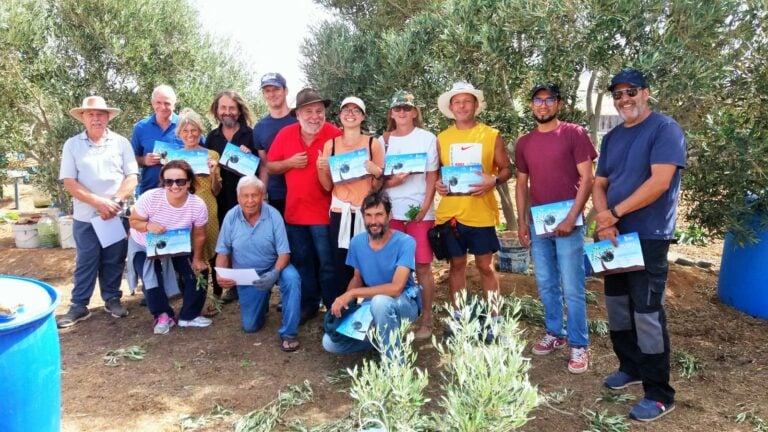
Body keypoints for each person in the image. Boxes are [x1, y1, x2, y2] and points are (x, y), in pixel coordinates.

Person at [593, 68, 686, 422]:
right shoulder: (612, 137)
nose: (623, 99)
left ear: (646, 93)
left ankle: (660, 394)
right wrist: (604, 219)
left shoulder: (665, 130)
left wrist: (613, 213)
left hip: (647, 236)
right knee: (617, 308)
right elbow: (600, 182)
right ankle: (629, 367)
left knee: (646, 315)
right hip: (613, 236)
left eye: (630, 92)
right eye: (617, 95)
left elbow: (660, 182)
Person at [514, 83, 597, 374]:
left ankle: (579, 344)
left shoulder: (574, 134)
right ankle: (555, 332)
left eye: (550, 100)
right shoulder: (524, 143)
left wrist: (572, 217)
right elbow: (521, 184)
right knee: (546, 283)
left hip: (569, 223)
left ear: (558, 104)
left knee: (573, 287)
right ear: (531, 104)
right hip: (539, 224)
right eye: (538, 100)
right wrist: (522, 223)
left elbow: (587, 179)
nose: (543, 105)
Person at [56, 96, 139, 328]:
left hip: (115, 214)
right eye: (91, 114)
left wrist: (113, 202)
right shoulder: (72, 145)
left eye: (100, 114)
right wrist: (98, 203)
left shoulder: (121, 143)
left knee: (114, 259)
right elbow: (70, 183)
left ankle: (112, 299)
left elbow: (132, 177)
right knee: (86, 260)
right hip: (86, 217)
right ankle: (79, 305)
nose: (96, 118)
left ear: (107, 117)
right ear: (83, 117)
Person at [434, 82, 512, 310]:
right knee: (456, 266)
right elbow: (439, 171)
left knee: (486, 267)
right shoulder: (442, 138)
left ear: (476, 105)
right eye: (457, 102)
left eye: (467, 101)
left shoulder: (491, 135)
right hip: (451, 215)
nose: (462, 106)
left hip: (481, 213)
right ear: (451, 107)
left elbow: (507, 169)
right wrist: (439, 183)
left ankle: (495, 318)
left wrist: (494, 180)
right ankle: (460, 318)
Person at [267, 88, 342, 324]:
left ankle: (334, 308)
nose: (314, 116)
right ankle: (308, 305)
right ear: (297, 114)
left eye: (319, 111)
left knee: (328, 265)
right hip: (295, 214)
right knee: (302, 263)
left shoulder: (335, 134)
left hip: (325, 215)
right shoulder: (285, 134)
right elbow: (270, 166)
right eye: (308, 111)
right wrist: (289, 163)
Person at [323, 191, 420, 359]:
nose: (373, 221)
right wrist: (347, 303)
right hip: (371, 306)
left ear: (389, 215)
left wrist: (353, 293)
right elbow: (357, 278)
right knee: (330, 342)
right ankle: (382, 340)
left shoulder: (406, 242)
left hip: (403, 304)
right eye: (368, 215)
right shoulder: (357, 242)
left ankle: (395, 364)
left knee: (380, 302)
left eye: (379, 215)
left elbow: (396, 288)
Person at [215, 176, 301, 352]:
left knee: (292, 278)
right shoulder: (231, 217)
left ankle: (289, 333)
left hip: (275, 266)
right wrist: (221, 275)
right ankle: (262, 300)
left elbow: (284, 253)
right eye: (245, 196)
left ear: (262, 196)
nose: (250, 200)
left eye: (255, 195)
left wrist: (275, 273)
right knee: (251, 326)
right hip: (247, 273)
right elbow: (223, 252)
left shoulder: (273, 215)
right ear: (238, 197)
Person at [380, 90, 438, 340]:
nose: (402, 112)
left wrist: (426, 206)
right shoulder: (383, 141)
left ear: (415, 112)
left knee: (423, 266)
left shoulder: (427, 138)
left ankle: (427, 318)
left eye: (406, 108)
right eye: (397, 108)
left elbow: (432, 175)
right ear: (391, 113)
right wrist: (393, 182)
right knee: (396, 268)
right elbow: (378, 179)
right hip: (391, 213)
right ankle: (400, 316)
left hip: (419, 213)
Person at [128, 160, 210, 335]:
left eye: (180, 181)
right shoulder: (150, 198)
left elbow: (199, 234)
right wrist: (148, 225)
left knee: (198, 271)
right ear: (163, 182)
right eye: (168, 181)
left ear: (188, 182)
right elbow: (133, 221)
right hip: (145, 245)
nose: (174, 186)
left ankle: (189, 316)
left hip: (177, 245)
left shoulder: (197, 204)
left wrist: (196, 258)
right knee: (151, 277)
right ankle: (163, 315)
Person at [317, 96, 385, 295]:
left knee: (367, 262)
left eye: (356, 110)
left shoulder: (373, 144)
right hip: (340, 212)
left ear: (363, 117)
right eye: (346, 110)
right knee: (341, 263)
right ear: (339, 116)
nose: (350, 114)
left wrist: (377, 173)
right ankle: (342, 312)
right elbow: (327, 186)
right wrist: (321, 168)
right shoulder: (332, 145)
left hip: (365, 213)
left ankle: (366, 312)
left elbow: (377, 187)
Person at [205, 90, 255, 303]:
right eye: (223, 108)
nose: (227, 112)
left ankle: (246, 285)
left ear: (239, 110)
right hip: (217, 198)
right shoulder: (211, 137)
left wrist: (249, 156)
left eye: (231, 108)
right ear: (217, 110)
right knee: (222, 241)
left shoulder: (250, 135)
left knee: (244, 242)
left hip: (244, 198)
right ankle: (220, 286)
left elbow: (258, 167)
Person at [175, 108, 222, 301]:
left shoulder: (211, 154)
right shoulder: (174, 157)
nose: (190, 134)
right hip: (183, 206)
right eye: (185, 131)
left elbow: (217, 190)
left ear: (200, 131)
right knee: (188, 249)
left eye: (193, 130)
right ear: (179, 134)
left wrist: (212, 173)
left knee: (212, 245)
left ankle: (217, 293)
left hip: (208, 204)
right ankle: (192, 294)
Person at [253, 72, 298, 216]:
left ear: (286, 91)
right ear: (263, 95)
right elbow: (264, 166)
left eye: (276, 89)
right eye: (267, 90)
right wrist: (263, 196)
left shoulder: (300, 119)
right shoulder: (260, 128)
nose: (272, 94)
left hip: (303, 194)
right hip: (276, 195)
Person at [131, 85, 184, 195]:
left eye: (167, 103)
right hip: (149, 192)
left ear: (174, 104)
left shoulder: (186, 126)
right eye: (158, 102)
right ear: (152, 103)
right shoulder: (140, 128)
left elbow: (201, 152)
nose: (162, 107)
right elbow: (131, 159)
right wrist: (144, 160)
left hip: (179, 192)